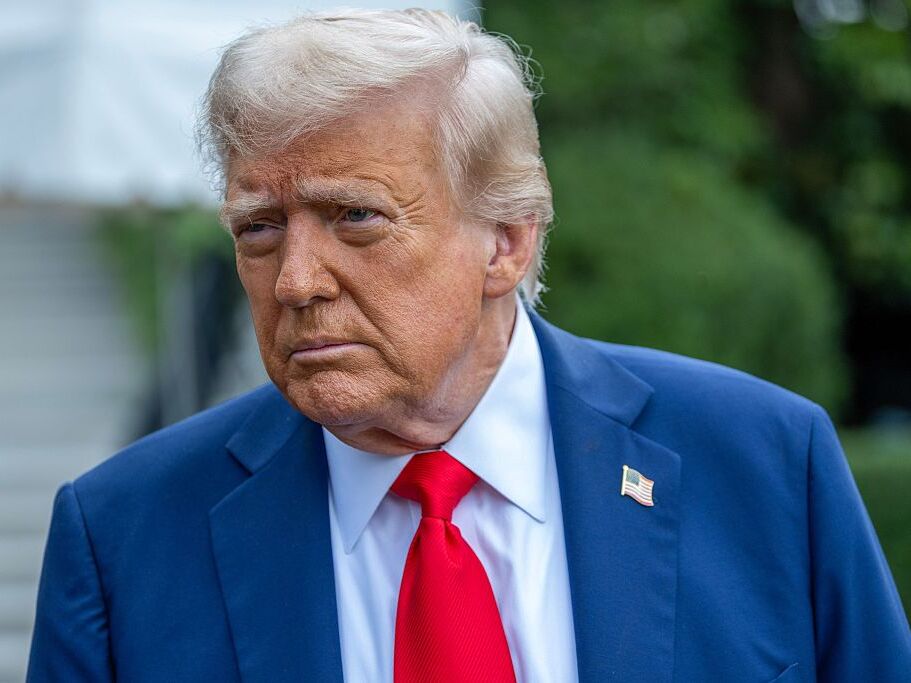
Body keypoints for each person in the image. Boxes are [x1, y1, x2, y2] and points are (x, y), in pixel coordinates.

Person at [27, 9, 910, 683]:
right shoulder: (124, 539)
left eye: (355, 216)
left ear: (507, 241)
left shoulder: (763, 463)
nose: (295, 280)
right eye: (259, 227)